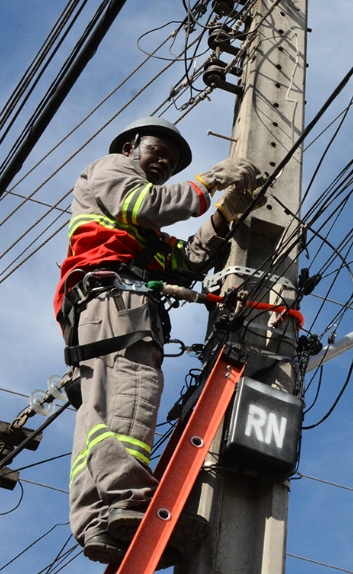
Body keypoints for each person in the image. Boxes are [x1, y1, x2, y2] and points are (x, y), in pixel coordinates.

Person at [54, 116, 260, 563]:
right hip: (114, 302)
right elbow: (147, 204)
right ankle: (129, 501)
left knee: (103, 410)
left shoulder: (135, 235)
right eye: (157, 150)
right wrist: (212, 180)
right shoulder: (110, 169)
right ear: (130, 146)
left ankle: (98, 519)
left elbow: (186, 261)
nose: (165, 161)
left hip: (106, 305)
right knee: (130, 394)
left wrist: (227, 211)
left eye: (174, 160)